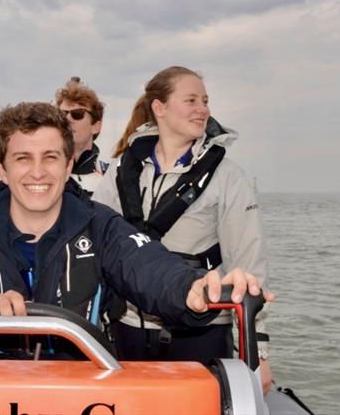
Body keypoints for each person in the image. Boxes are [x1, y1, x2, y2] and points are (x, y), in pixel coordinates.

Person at [0, 101, 271, 354]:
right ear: (2, 169)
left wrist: (192, 292)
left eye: (50, 158)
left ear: (69, 164)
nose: (37, 173)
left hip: (86, 394)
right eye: (23, 158)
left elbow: (151, 270)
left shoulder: (100, 226)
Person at [91, 66, 274, 393]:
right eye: (190, 100)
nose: (202, 109)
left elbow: (247, 266)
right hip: (130, 324)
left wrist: (258, 354)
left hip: (202, 330)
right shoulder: (122, 170)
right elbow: (97, 240)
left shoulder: (229, 177)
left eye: (205, 100)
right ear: (159, 108)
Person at [54, 77, 109, 196]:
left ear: (96, 126)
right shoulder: (41, 175)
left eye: (77, 114)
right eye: (62, 114)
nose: (68, 119)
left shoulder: (112, 177)